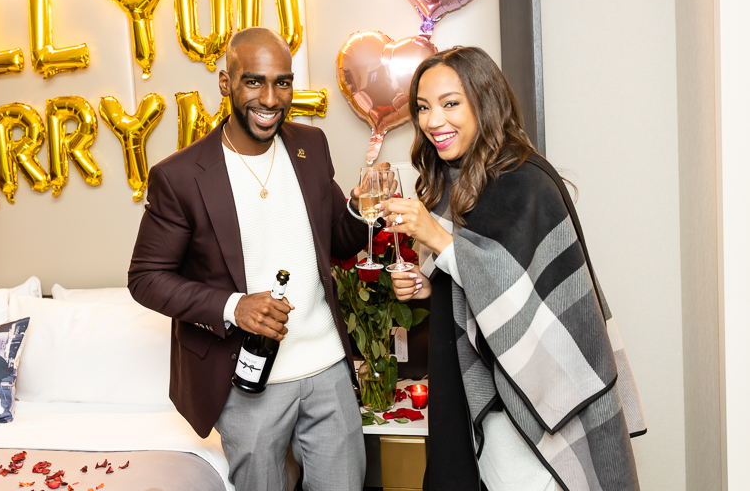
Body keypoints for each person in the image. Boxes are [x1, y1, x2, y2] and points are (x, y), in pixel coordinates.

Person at [383, 47, 646, 491]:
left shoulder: (525, 181)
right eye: (423, 108)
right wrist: (429, 287)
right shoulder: (452, 180)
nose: (432, 122)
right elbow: (476, 281)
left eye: (451, 103)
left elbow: (524, 301)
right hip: (482, 397)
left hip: (530, 403)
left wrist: (439, 239)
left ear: (484, 103)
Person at [128, 27, 373, 490]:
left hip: (327, 368)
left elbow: (338, 242)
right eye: (254, 81)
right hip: (245, 380)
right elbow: (146, 277)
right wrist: (232, 306)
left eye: (282, 82)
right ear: (226, 83)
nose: (270, 97)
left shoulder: (310, 146)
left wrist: (360, 209)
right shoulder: (180, 176)